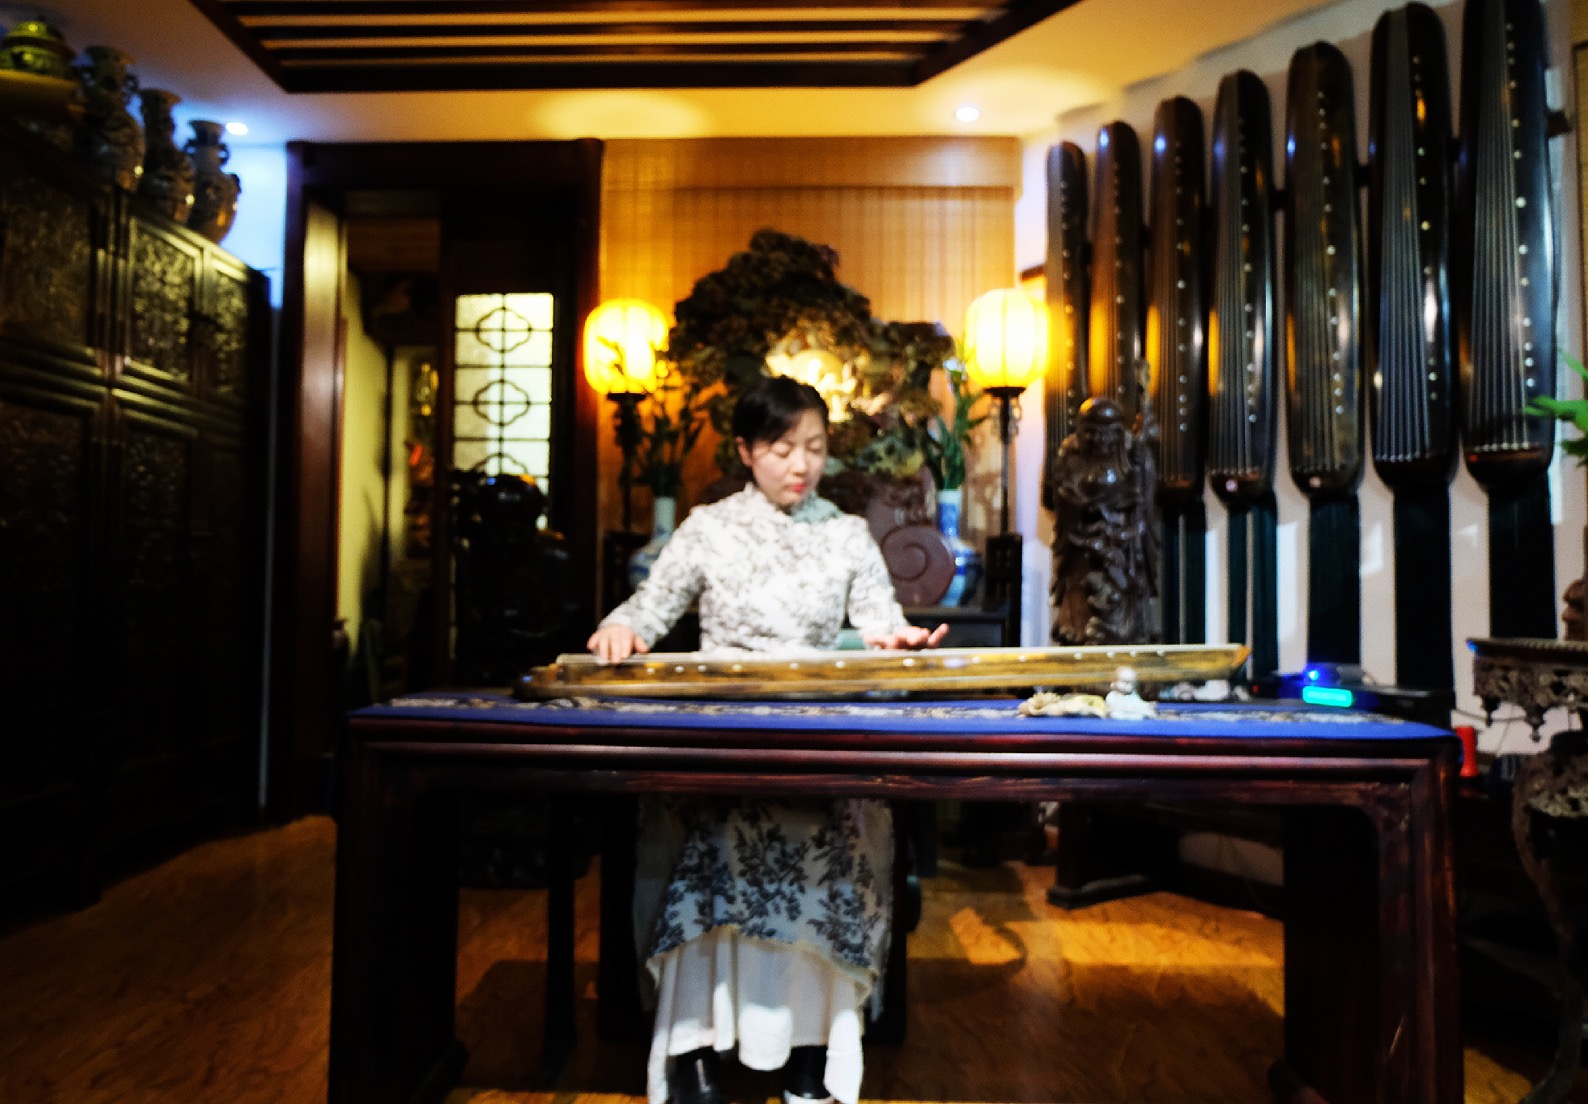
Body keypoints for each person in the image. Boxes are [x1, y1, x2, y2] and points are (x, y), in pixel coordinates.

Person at [589, 376, 946, 1104]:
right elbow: (647, 609)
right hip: (726, 732)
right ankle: (692, 1050)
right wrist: (621, 628)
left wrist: (895, 638)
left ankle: (811, 1054)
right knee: (712, 834)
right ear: (747, 451)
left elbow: (879, 619)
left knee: (842, 833)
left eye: (814, 447)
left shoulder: (845, 532)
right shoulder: (708, 528)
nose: (802, 465)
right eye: (783, 449)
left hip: (811, 733)